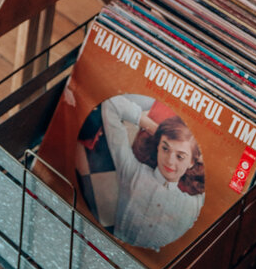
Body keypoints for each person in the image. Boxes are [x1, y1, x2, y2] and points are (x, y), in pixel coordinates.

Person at [74, 93, 205, 250]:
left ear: (192, 162)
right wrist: (157, 130)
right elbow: (112, 104)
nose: (170, 161)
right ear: (157, 146)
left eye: (180, 156)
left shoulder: (194, 204)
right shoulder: (132, 171)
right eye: (165, 148)